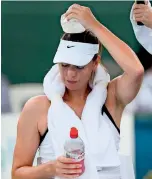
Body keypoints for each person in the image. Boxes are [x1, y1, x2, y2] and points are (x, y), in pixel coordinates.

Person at [12, 4, 144, 179]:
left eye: (79, 67)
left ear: (95, 62)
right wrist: (51, 169)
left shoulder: (111, 98)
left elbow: (136, 71)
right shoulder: (37, 108)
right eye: (64, 65)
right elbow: (17, 173)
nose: (70, 74)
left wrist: (93, 25)